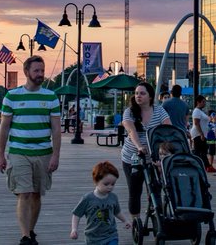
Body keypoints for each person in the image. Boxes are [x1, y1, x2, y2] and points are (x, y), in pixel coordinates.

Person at [0, 54, 62, 245]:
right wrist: (0, 155)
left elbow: (56, 129)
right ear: (27, 72)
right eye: (36, 70)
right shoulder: (12, 96)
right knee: (24, 193)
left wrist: (55, 156)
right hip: (19, 152)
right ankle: (25, 236)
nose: (40, 74)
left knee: (36, 194)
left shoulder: (50, 97)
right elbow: (4, 127)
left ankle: (30, 230)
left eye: (42, 70)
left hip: (43, 152)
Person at [119, 80, 168, 233]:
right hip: (132, 156)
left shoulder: (159, 111)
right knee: (135, 190)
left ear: (150, 96)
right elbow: (131, 131)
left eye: (142, 93)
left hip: (154, 157)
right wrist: (140, 146)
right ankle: (136, 222)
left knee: (155, 188)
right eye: (136, 93)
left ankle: (157, 216)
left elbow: (168, 128)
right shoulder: (130, 111)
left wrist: (165, 150)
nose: (138, 96)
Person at [70, 159, 130, 245]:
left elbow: (117, 212)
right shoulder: (88, 198)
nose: (110, 187)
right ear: (96, 181)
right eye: (106, 184)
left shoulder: (113, 197)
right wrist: (74, 229)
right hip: (93, 237)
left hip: (111, 235)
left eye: (113, 184)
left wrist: (125, 221)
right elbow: (76, 214)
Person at [191, 95, 216, 172]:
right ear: (198, 102)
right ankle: (206, 166)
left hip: (202, 134)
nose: (204, 103)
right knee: (200, 151)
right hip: (198, 134)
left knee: (202, 151)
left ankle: (206, 166)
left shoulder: (200, 111)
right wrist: (201, 134)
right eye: (203, 102)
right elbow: (196, 123)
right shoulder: (196, 111)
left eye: (204, 102)